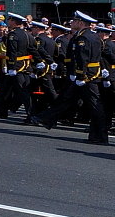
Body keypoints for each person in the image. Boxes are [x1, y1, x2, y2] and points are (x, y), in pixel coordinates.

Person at [33, 11, 107, 145]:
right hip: (88, 74)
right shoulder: (90, 36)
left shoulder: (84, 38)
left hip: (86, 77)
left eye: (74, 21)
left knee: (95, 105)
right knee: (67, 98)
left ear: (81, 23)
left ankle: (101, 135)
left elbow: (83, 59)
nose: (72, 23)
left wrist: (80, 75)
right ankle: (45, 119)